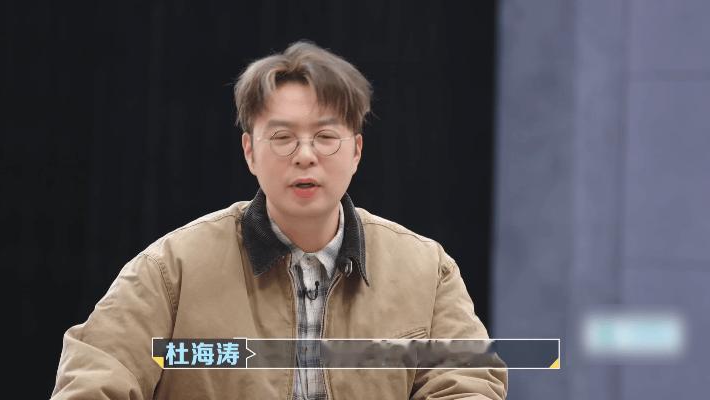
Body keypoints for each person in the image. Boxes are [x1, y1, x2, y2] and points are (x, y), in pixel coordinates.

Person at [51, 41, 508, 400]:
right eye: (283, 137)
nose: (305, 155)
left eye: (325, 136)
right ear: (250, 151)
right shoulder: (171, 270)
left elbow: (468, 384)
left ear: (356, 151)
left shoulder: (427, 271)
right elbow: (93, 380)